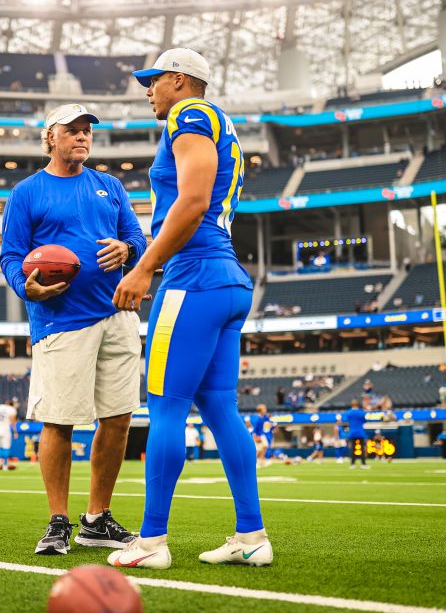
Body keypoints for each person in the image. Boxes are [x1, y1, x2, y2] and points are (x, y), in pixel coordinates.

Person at [109, 49, 269, 569]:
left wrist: (143, 267)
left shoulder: (189, 114)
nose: (148, 90)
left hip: (192, 278)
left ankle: (151, 541)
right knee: (222, 410)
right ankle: (252, 536)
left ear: (179, 80)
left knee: (165, 407)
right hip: (224, 278)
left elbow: (194, 198)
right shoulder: (217, 121)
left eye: (153, 81)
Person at [0, 102, 147, 556]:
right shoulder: (26, 192)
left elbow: (138, 241)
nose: (82, 137)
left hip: (118, 314)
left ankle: (97, 519)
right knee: (59, 420)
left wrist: (126, 250)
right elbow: (10, 256)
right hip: (61, 320)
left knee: (119, 418)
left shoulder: (111, 186)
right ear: (50, 137)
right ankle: (58, 520)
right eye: (72, 131)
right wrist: (27, 289)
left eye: (87, 132)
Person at [0, 397, 19, 471]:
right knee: (6, 447)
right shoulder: (12, 409)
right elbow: (13, 421)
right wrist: (15, 431)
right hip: (5, 430)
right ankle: (5, 464)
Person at [341, 399, 369, 469]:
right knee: (362, 448)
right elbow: (365, 420)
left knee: (352, 449)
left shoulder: (349, 412)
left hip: (352, 432)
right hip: (360, 432)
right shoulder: (361, 412)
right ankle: (363, 464)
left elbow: (346, 420)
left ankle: (352, 464)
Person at [250, 404, 276, 469]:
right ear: (260, 410)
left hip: (262, 435)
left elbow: (268, 422)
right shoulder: (257, 418)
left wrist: (272, 424)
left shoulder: (264, 417)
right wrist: (255, 436)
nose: (265, 410)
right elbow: (254, 429)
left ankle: (261, 461)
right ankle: (255, 463)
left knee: (265, 446)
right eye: (264, 409)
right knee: (258, 450)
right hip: (258, 436)